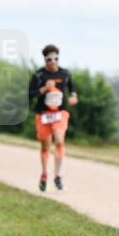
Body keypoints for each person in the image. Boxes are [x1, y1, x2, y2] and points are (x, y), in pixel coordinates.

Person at [28, 44, 78, 191]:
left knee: (60, 142)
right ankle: (44, 174)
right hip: (43, 115)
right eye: (49, 59)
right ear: (45, 60)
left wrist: (73, 97)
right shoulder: (38, 75)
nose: (53, 61)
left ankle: (58, 175)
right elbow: (29, 95)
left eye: (56, 58)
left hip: (60, 114)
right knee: (46, 146)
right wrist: (44, 89)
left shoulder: (65, 74)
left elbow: (73, 90)